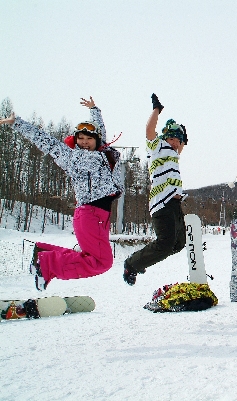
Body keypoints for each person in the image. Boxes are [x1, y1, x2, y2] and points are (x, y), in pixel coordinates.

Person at [0, 97, 123, 290]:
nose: (84, 142)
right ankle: (47, 264)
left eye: (88, 138)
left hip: (98, 216)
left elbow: (99, 129)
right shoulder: (71, 157)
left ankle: (44, 253)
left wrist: (94, 110)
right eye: (79, 139)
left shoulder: (101, 151)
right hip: (91, 214)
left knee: (93, 259)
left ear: (96, 140)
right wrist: (17, 123)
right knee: (102, 262)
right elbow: (45, 142)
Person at [123, 93, 189, 285]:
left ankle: (142, 259)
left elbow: (182, 144)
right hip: (162, 203)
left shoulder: (174, 155)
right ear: (165, 137)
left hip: (175, 204)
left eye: (179, 140)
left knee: (178, 244)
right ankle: (131, 263)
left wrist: (184, 134)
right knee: (165, 244)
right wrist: (156, 109)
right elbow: (149, 130)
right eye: (173, 139)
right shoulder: (157, 147)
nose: (176, 143)